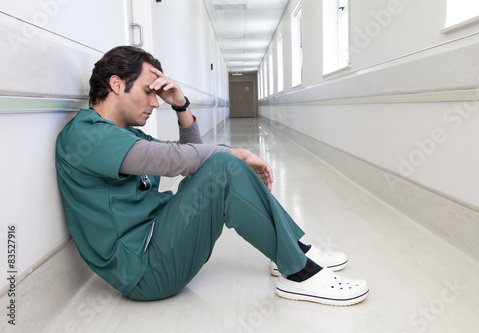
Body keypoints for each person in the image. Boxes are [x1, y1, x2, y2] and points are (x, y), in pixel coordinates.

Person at [55, 46, 369, 306]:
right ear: (117, 84)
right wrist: (238, 153)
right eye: (149, 92)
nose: (155, 103)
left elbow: (193, 156)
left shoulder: (124, 134)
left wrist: (181, 105)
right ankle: (298, 272)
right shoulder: (85, 137)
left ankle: (291, 251)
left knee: (218, 163)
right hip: (143, 270)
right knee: (223, 164)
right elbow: (176, 160)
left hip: (158, 240)